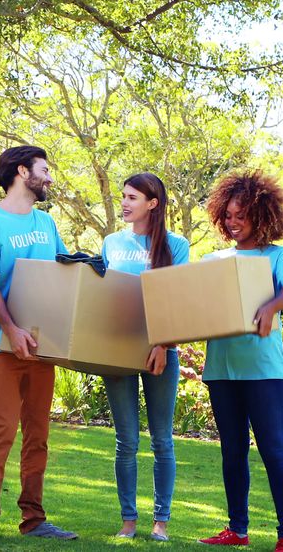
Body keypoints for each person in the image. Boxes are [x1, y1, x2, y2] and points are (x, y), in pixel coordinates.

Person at [0, 146, 79, 545]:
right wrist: (12, 330)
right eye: (44, 170)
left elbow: (63, 273)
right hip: (3, 342)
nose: (49, 178)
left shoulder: (46, 224)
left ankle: (34, 518)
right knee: (3, 429)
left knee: (38, 433)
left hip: (42, 345)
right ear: (21, 171)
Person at [196, 171, 283, 552]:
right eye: (227, 215)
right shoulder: (213, 259)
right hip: (221, 370)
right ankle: (236, 530)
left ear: (261, 214)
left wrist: (271, 307)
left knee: (273, 449)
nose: (232, 222)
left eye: (240, 215)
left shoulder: (278, 255)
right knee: (232, 451)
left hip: (264, 372)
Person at [100, 173, 189, 542]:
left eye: (132, 197)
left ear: (152, 203)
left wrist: (163, 346)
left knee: (162, 440)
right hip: (118, 348)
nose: (124, 203)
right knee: (126, 441)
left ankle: (161, 523)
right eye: (123, 196)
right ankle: (128, 521)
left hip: (161, 351)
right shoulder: (110, 243)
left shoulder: (176, 244)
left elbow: (177, 299)